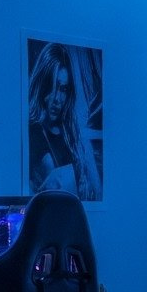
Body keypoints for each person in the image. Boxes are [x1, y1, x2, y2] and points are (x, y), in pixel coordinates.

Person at [28, 42, 101, 199]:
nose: (57, 99)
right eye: (52, 87)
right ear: (42, 86)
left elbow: (97, 189)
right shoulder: (34, 133)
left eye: (63, 89)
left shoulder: (73, 132)